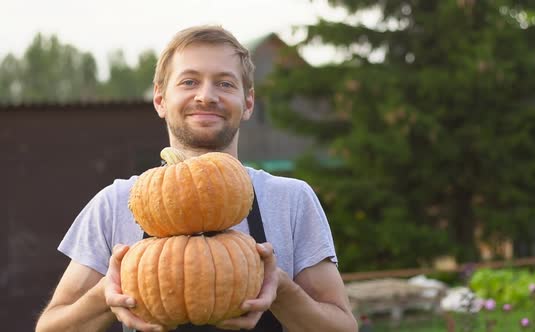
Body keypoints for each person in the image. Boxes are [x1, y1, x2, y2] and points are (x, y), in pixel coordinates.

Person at [35, 25, 358, 332]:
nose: (206, 96)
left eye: (225, 83)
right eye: (189, 82)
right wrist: (105, 294)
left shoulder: (290, 200)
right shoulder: (116, 202)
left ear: (248, 103)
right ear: (160, 100)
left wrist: (283, 292)